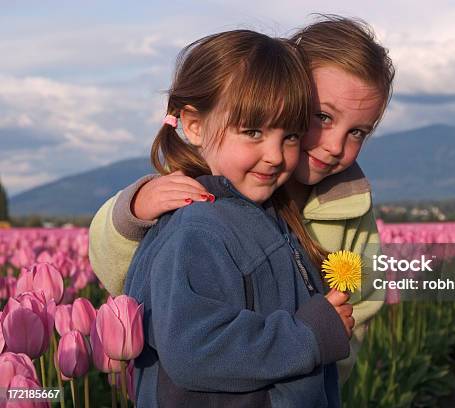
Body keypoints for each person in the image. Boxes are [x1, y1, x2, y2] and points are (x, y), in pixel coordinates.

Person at [89, 15, 395, 385]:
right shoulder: (201, 194)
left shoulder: (350, 206)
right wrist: (134, 211)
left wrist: (321, 377)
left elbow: (360, 305)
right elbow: (123, 277)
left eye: (358, 132)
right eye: (322, 117)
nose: (335, 147)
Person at [123, 30, 355, 407]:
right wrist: (309, 335)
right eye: (253, 132)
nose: (275, 155)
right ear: (194, 125)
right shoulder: (198, 229)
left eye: (291, 136)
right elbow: (194, 348)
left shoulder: (262, 213)